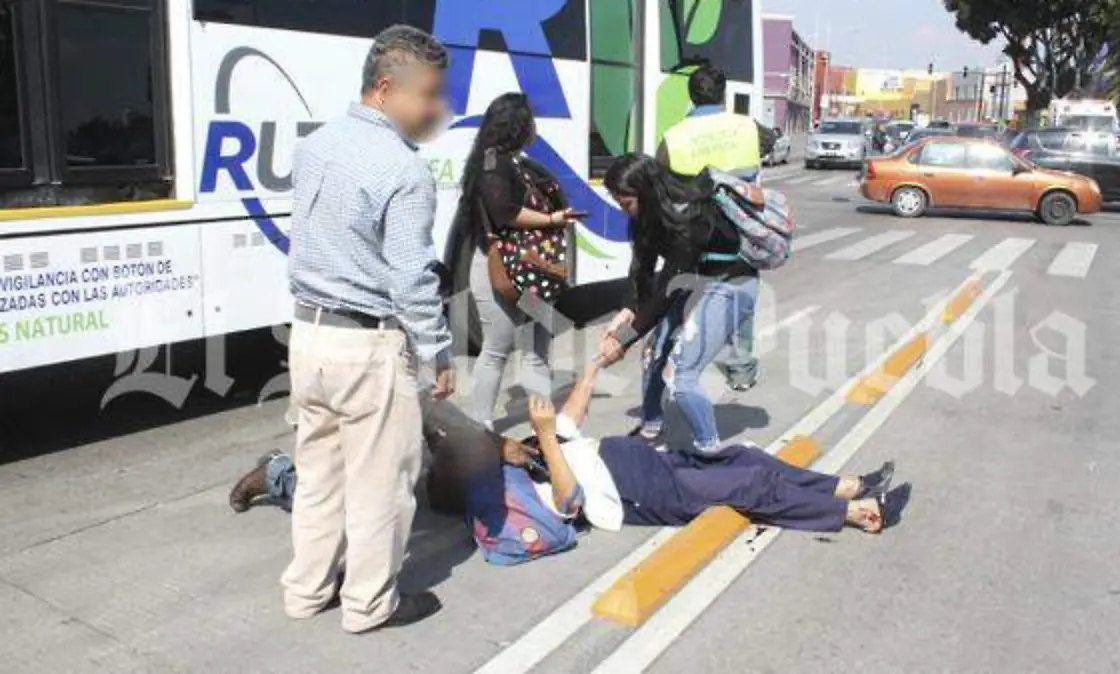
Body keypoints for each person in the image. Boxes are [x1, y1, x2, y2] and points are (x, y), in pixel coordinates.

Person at [229, 364, 904, 567]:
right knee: (385, 481)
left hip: (655, 467)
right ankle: (850, 510)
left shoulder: (532, 454)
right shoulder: (534, 478)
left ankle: (843, 486)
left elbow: (572, 412)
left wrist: (593, 368)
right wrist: (545, 439)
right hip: (654, 491)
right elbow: (575, 502)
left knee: (750, 458)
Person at [283, 25, 452, 634]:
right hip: (367, 344)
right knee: (381, 484)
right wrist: (437, 350)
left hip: (307, 337)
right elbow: (411, 278)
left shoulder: (315, 145)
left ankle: (306, 590)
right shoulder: (404, 171)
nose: (437, 110)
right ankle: (368, 605)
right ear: (386, 88)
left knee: (319, 475)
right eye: (430, 95)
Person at [597, 154, 759, 454]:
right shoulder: (646, 217)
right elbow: (642, 269)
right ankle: (651, 431)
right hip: (692, 283)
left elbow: (668, 288)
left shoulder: (692, 215)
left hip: (730, 284)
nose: (625, 212)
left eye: (626, 204)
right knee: (653, 355)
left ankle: (709, 452)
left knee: (681, 373)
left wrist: (624, 339)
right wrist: (627, 310)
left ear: (645, 193)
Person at [458, 93, 580, 428]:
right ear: (517, 125)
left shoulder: (510, 162)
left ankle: (543, 427)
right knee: (498, 347)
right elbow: (504, 212)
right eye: (531, 120)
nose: (535, 127)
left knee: (538, 347)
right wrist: (553, 219)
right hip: (501, 269)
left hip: (530, 271)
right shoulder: (493, 162)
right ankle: (480, 428)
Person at [646, 65, 767, 397]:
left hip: (694, 239)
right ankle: (740, 370)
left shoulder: (673, 137)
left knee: (685, 302)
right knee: (742, 295)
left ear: (691, 95)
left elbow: (662, 187)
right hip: (740, 234)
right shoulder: (747, 128)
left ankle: (667, 362)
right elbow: (768, 147)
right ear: (723, 94)